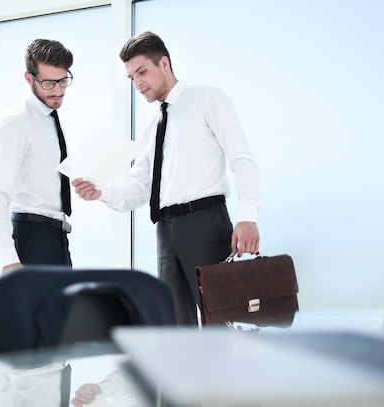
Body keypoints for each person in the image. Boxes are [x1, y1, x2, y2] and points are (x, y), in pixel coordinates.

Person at [72, 31, 263, 325]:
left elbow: (242, 157)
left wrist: (248, 215)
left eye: (142, 72)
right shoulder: (152, 128)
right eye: (131, 78)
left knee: (219, 320)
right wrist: (101, 192)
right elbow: (139, 188)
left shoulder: (206, 98)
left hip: (205, 222)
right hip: (165, 229)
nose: (138, 83)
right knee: (175, 324)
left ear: (164, 63)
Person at [0, 39, 75, 273]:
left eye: (63, 80)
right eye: (48, 83)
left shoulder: (51, 120)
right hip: (31, 237)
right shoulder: (17, 122)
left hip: (57, 238)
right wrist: (7, 257)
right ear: (29, 78)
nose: (57, 90)